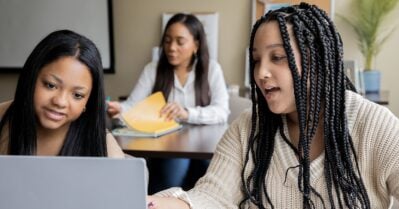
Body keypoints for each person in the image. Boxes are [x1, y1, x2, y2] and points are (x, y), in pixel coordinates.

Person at [147, 3, 399, 209]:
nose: (261, 73)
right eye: (256, 60)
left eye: (277, 57)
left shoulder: (374, 125)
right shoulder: (248, 127)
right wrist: (149, 203)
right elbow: (211, 197)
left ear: (317, 61)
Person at [107, 13, 230, 193]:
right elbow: (132, 106)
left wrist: (187, 113)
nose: (171, 47)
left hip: (204, 146)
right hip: (167, 147)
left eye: (180, 42)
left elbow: (222, 111)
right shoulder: (153, 69)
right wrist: (119, 109)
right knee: (174, 169)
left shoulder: (212, 69)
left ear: (196, 45)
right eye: (167, 41)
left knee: (208, 173)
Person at [0, 29, 125, 158]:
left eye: (77, 95)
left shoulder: (105, 148)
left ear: (88, 101)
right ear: (31, 77)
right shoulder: (3, 117)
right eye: (51, 85)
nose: (60, 102)